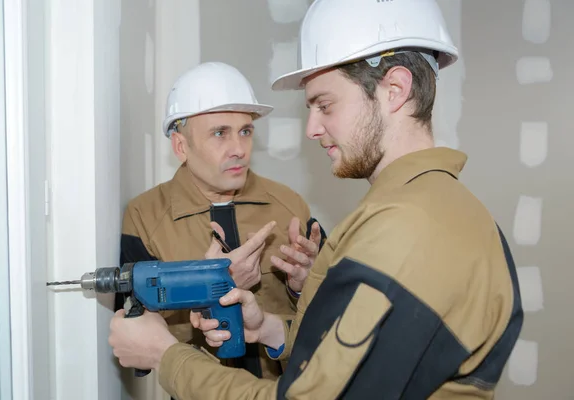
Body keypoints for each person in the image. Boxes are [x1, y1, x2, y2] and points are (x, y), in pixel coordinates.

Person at [108, 0, 524, 399]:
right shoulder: (413, 213)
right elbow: (340, 359)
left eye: (324, 104)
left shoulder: (404, 230)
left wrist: (167, 356)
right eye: (220, 132)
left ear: (395, 89)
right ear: (181, 146)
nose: (311, 128)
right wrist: (269, 328)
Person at [115, 61, 326, 400]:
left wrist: (305, 287)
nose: (239, 149)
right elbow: (134, 346)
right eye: (219, 133)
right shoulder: (145, 216)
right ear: (181, 147)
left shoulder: (290, 207)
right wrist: (209, 288)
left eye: (245, 131)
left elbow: (335, 326)